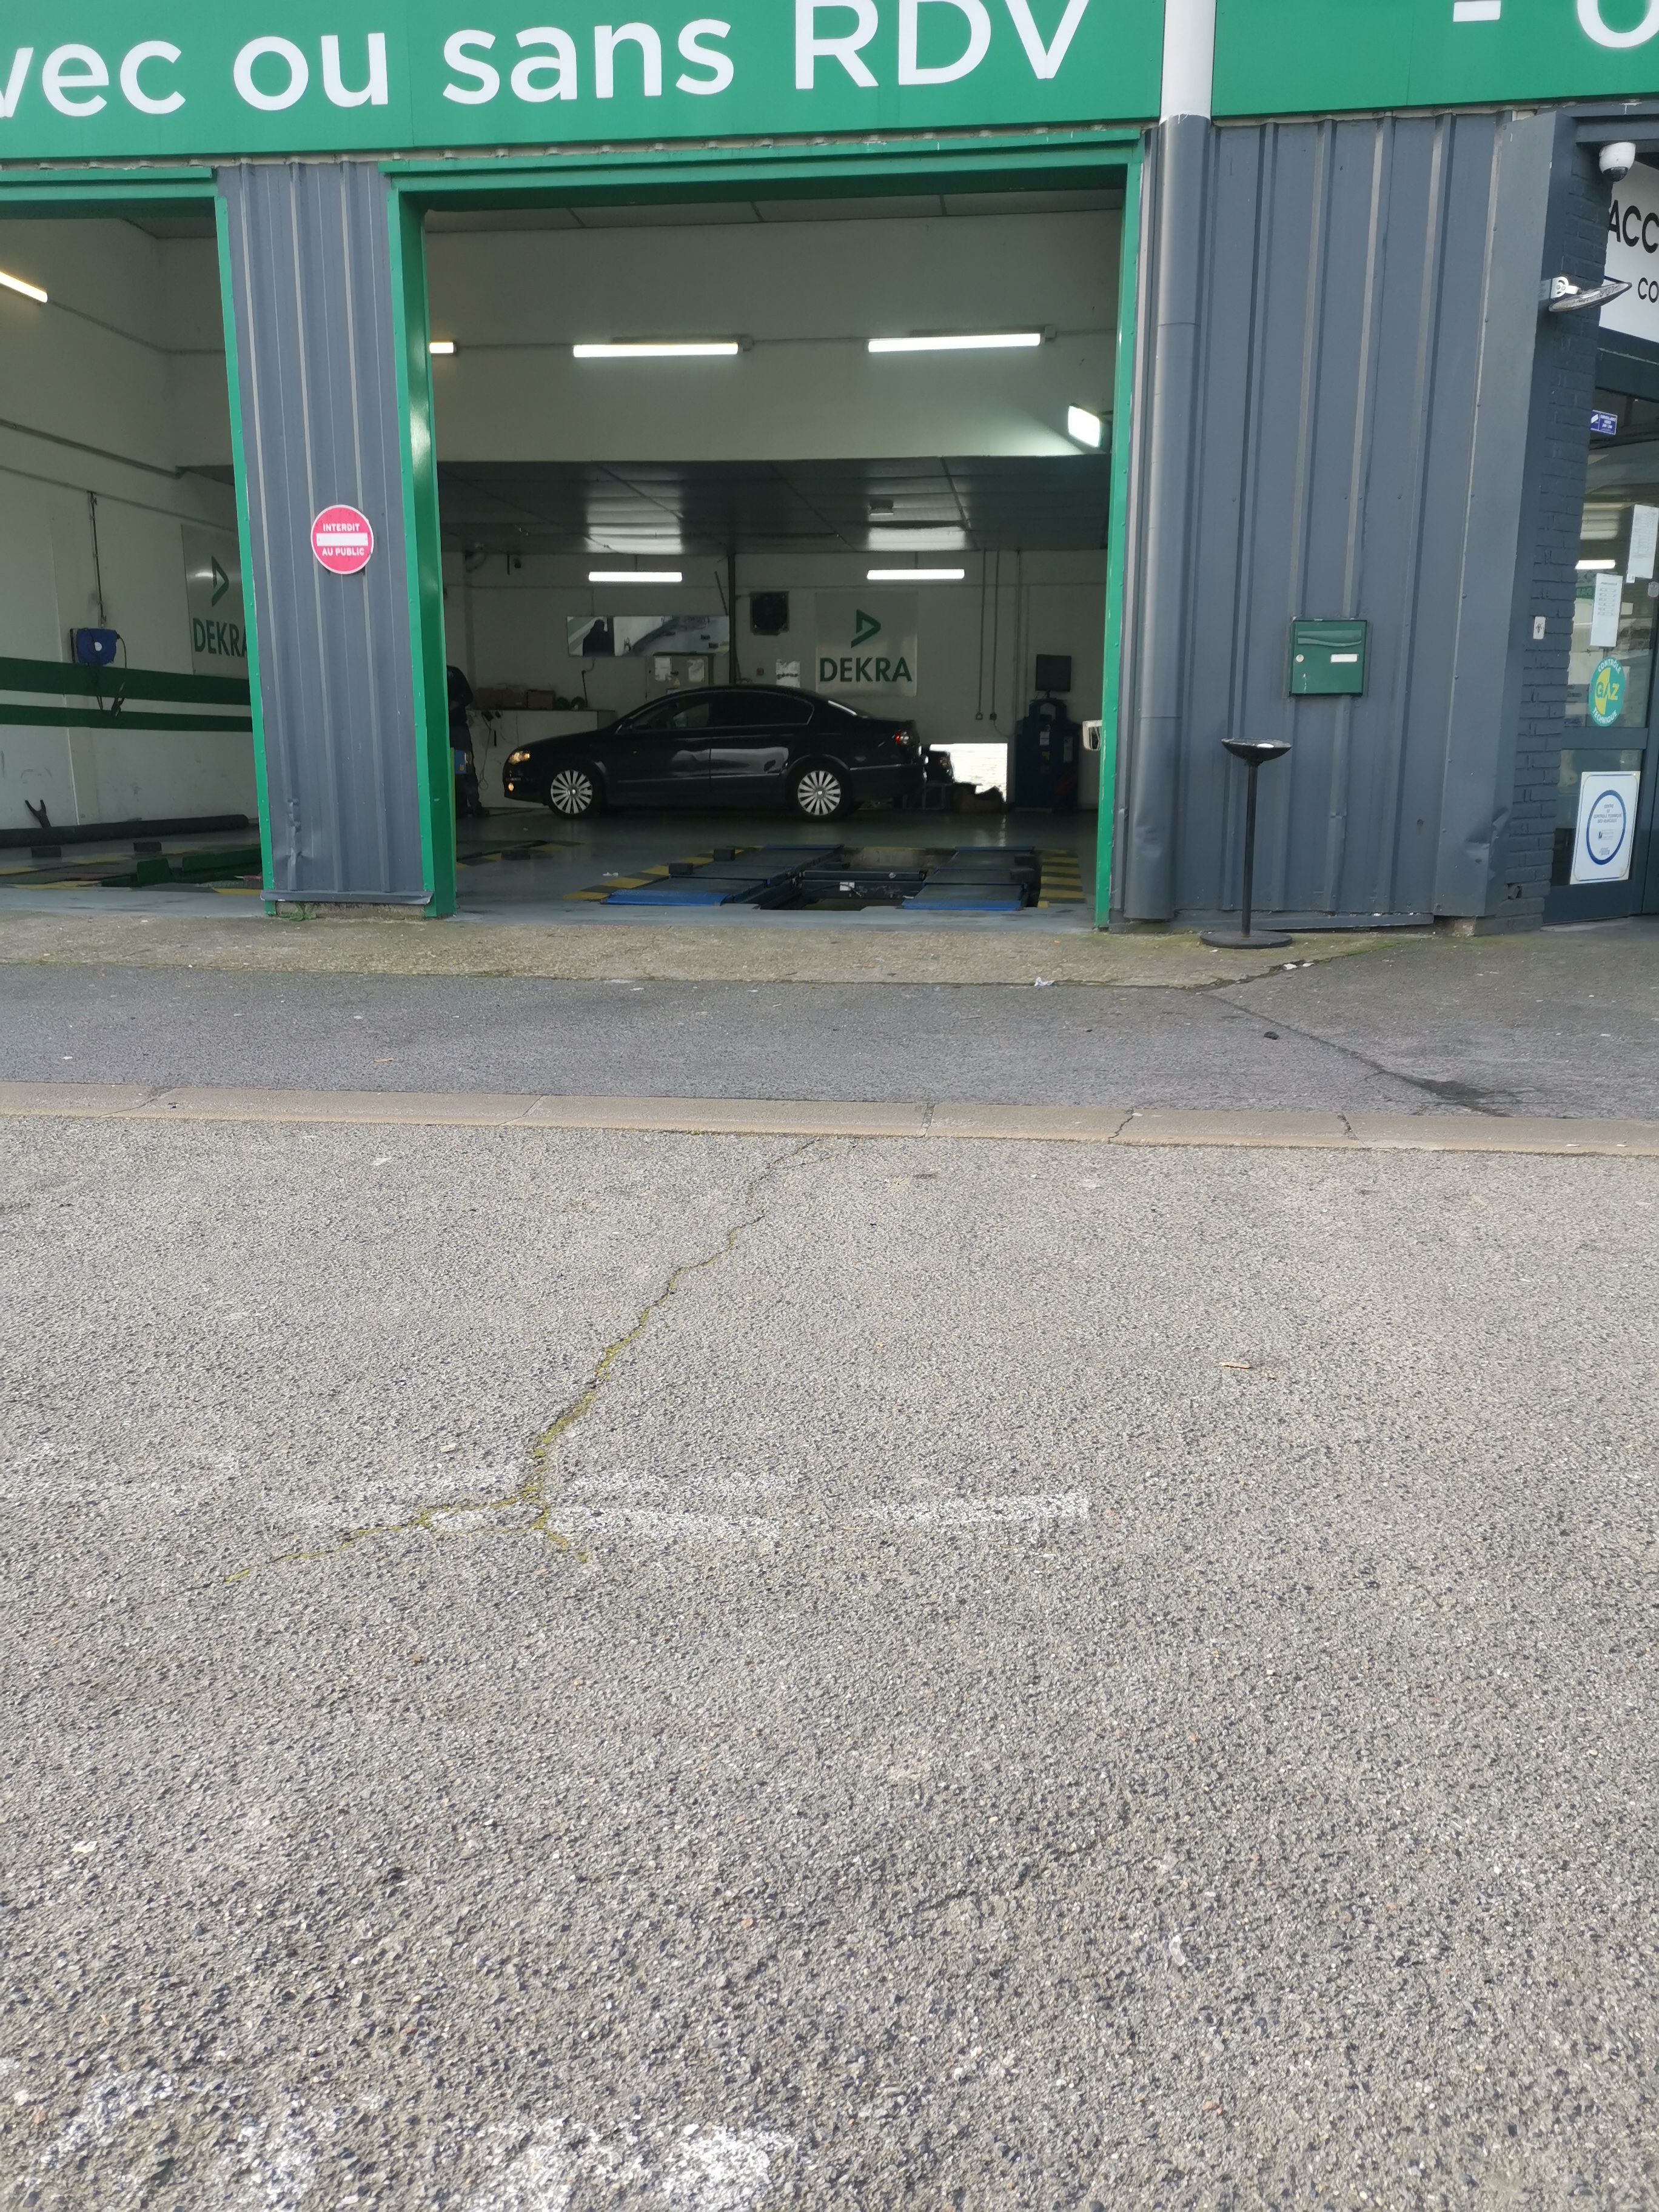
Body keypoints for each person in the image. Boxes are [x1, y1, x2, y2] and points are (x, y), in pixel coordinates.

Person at [447, 663, 485, 818]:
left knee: (464, 766)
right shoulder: (430, 674)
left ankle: (474, 806)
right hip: (440, 729)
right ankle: (459, 807)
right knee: (450, 769)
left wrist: (456, 703)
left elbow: (469, 696)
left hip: (456, 728)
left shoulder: (453, 673)